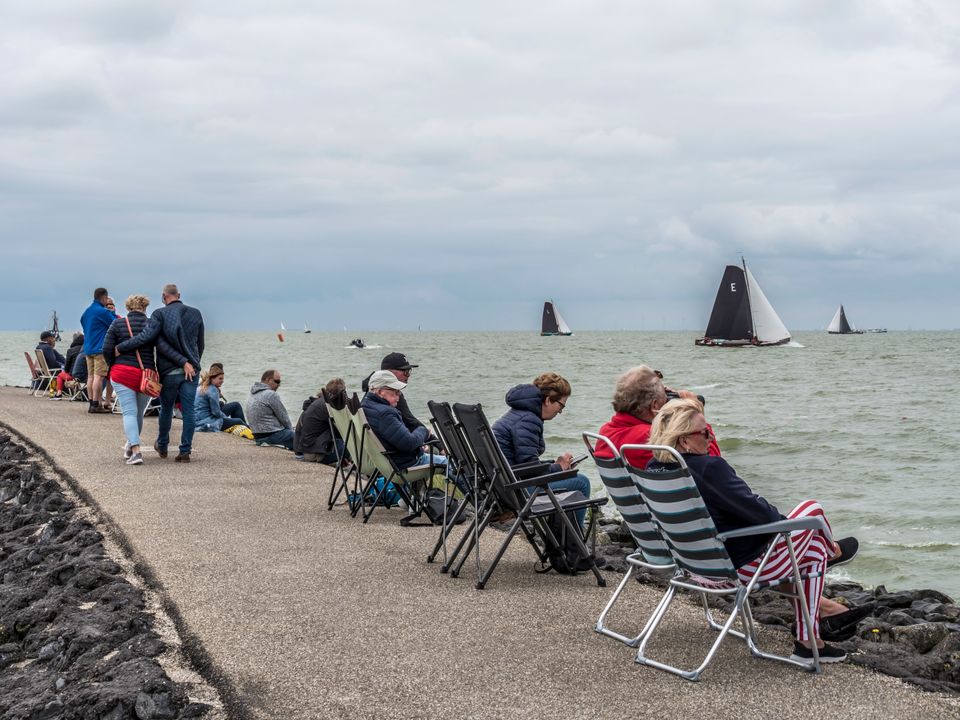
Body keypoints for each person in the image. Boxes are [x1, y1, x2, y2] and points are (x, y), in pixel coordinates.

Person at [646, 398, 862, 663]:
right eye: (704, 432)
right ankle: (833, 552)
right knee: (812, 512)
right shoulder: (709, 468)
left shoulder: (655, 469)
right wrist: (785, 524)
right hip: (737, 570)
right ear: (684, 441)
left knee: (810, 547)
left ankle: (810, 643)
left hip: (695, 567)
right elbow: (762, 515)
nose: (711, 435)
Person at [117, 284, 204, 462]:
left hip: (169, 371)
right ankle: (185, 451)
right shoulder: (196, 313)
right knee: (189, 411)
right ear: (178, 295)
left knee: (166, 408)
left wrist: (121, 347)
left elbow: (154, 341)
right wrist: (192, 362)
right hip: (192, 371)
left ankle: (163, 445)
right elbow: (200, 343)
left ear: (164, 297)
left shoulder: (159, 314)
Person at [491, 372, 592, 527]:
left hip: (502, 487)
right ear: (547, 400)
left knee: (570, 478)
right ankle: (572, 546)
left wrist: (555, 465)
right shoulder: (528, 420)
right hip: (515, 492)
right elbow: (530, 469)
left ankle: (561, 543)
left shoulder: (517, 414)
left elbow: (524, 462)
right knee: (581, 482)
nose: (561, 411)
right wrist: (558, 467)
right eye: (561, 405)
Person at [594, 365, 721, 467]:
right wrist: (696, 412)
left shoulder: (605, 434)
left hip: (635, 498)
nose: (668, 403)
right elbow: (712, 465)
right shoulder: (653, 439)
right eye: (665, 400)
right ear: (655, 406)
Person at [101, 295, 157, 466]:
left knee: (129, 413)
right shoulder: (151, 324)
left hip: (122, 372)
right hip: (146, 374)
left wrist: (113, 364)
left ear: (128, 308)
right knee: (138, 413)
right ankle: (130, 446)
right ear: (145, 307)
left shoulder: (117, 324)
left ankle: (136, 451)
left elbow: (106, 349)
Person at [361, 370, 446, 470]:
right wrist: (424, 431)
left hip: (384, 463)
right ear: (380, 392)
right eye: (395, 392)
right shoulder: (385, 414)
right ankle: (468, 485)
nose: (399, 396)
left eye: (399, 392)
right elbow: (409, 443)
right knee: (451, 465)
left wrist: (417, 445)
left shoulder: (365, 405)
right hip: (404, 464)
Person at [361, 352, 426, 433]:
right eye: (405, 371)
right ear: (389, 373)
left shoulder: (371, 392)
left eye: (409, 371)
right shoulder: (390, 397)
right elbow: (411, 423)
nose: (408, 375)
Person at [294, 378, 347, 464]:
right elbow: (340, 432)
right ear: (342, 393)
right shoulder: (328, 406)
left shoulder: (317, 403)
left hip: (301, 450)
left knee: (339, 442)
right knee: (352, 446)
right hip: (312, 454)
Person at [79, 287, 115, 413]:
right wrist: (112, 312)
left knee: (90, 377)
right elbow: (115, 324)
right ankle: (96, 404)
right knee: (98, 377)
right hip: (100, 348)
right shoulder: (103, 312)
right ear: (104, 298)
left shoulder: (87, 312)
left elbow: (83, 322)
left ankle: (91, 403)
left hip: (88, 348)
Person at [246, 369, 294, 449]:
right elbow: (284, 418)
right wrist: (291, 432)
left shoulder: (253, 394)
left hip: (258, 437)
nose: (279, 385)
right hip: (271, 436)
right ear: (268, 380)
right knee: (301, 438)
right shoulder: (271, 394)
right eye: (277, 381)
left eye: (280, 382)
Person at [195, 364, 246, 432]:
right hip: (205, 422)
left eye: (223, 378)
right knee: (239, 421)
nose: (222, 381)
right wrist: (226, 419)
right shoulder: (212, 390)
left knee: (233, 406)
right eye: (220, 378)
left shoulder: (201, 386)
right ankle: (252, 434)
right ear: (212, 378)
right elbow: (215, 412)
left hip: (197, 420)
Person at [52, 332, 84, 399]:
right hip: (88, 377)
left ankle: (58, 393)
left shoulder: (71, 350)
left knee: (60, 375)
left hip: (74, 376)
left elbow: (66, 368)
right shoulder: (86, 350)